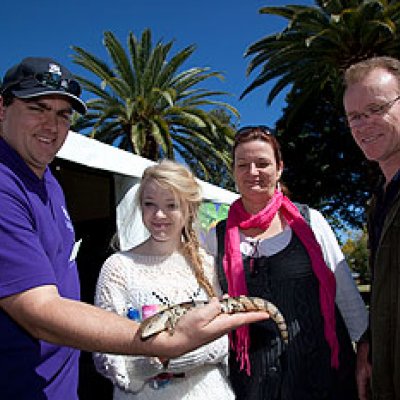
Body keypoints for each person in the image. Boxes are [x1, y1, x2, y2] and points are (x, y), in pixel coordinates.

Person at [0, 57, 269, 400]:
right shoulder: (5, 185)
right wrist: (159, 344)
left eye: (63, 114)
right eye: (38, 108)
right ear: (2, 108)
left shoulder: (48, 180)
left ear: (188, 210)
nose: (51, 126)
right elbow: (38, 310)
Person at [204, 125, 369, 400]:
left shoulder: (311, 221)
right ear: (233, 171)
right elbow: (214, 305)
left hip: (321, 374)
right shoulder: (215, 236)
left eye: (262, 163)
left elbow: (345, 293)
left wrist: (365, 349)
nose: (252, 172)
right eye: (242, 164)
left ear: (279, 168)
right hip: (253, 381)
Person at [93, 159, 234, 399]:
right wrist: (155, 362)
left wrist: (175, 354)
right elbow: (105, 355)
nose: (159, 215)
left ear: (189, 208)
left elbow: (229, 339)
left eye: (171, 205)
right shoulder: (118, 267)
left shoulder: (209, 264)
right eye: (150, 204)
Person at [343, 56, 400, 400]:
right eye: (354, 117)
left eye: (376, 109)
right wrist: (369, 345)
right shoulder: (378, 202)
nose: (364, 125)